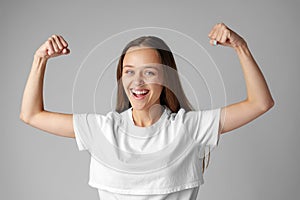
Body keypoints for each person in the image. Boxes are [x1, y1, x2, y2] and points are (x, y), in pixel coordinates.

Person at [20, 23, 274, 200]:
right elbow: (31, 115)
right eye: (129, 71)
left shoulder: (189, 128)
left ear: (166, 78)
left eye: (149, 72)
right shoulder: (102, 129)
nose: (137, 81)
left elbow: (260, 103)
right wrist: (39, 60)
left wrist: (241, 47)